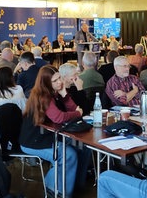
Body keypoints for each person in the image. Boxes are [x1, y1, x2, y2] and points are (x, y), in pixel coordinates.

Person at [19, 65, 90, 197]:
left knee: (83, 147)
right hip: (33, 140)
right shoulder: (43, 96)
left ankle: (76, 184)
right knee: (68, 155)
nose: (60, 82)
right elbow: (59, 117)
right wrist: (77, 113)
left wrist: (65, 95)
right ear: (46, 83)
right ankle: (56, 190)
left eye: (59, 78)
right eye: (55, 80)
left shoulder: (53, 93)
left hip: (47, 135)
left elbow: (74, 109)